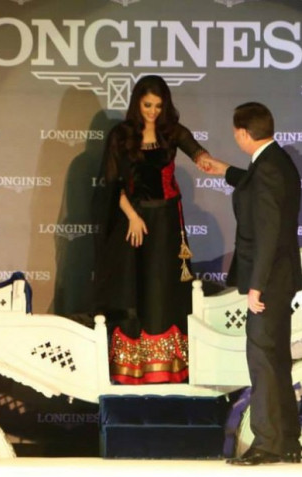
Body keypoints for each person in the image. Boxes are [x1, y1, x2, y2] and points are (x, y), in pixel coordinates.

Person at [93, 75, 213, 385]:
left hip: (168, 224)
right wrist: (132, 216)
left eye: (159, 106)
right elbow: (111, 184)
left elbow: (197, 152)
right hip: (136, 223)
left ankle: (167, 367)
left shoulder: (172, 132)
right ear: (137, 103)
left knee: (163, 289)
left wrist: (207, 161)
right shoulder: (121, 136)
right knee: (135, 288)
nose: (153, 112)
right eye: (148, 105)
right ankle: (134, 367)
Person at [201, 102, 302, 465]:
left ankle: (269, 443)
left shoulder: (270, 168)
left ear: (243, 133)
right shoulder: (275, 161)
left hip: (270, 280)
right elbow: (252, 184)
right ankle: (286, 441)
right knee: (274, 360)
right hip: (277, 278)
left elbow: (270, 232)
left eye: (235, 134)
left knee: (263, 360)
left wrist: (256, 285)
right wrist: (224, 169)